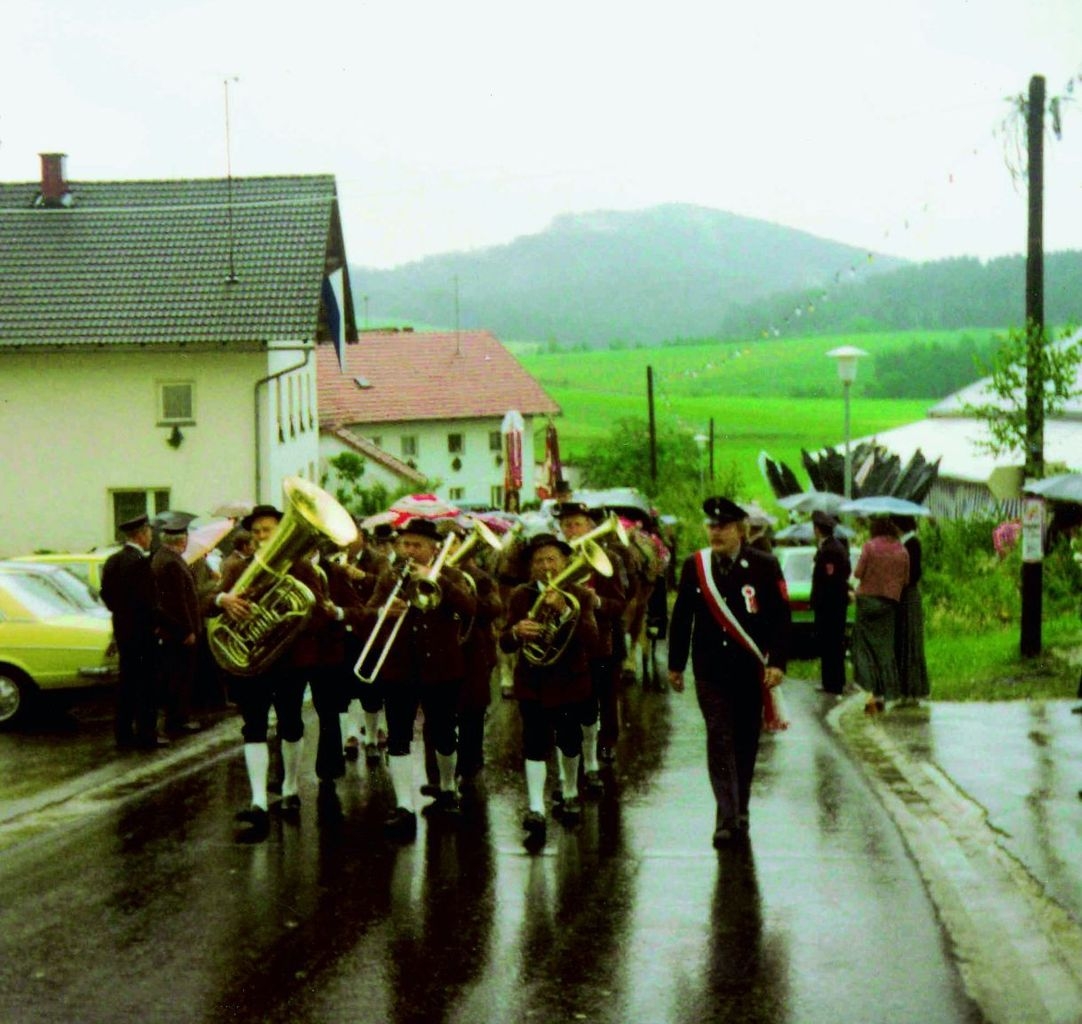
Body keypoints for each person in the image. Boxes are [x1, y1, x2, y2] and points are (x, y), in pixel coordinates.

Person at [667, 497, 790, 848]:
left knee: (745, 741)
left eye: (722, 527)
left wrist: (778, 662)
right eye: (711, 526)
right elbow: (683, 617)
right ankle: (726, 817)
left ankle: (741, 807)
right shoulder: (696, 565)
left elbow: (780, 618)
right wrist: (676, 664)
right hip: (710, 670)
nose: (715, 532)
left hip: (749, 669)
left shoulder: (764, 565)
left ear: (740, 530)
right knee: (719, 737)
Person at [363, 517, 477, 840]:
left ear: (433, 549)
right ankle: (404, 806)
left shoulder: (451, 575)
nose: (409, 551)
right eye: (405, 544)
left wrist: (435, 579)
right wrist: (385, 611)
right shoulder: (390, 577)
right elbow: (369, 614)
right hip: (400, 669)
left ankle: (447, 788)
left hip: (442, 668)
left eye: (417, 545)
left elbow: (470, 609)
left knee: (444, 735)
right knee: (398, 737)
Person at [212, 503, 307, 842]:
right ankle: (258, 801)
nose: (262, 536)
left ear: (281, 532)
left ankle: (290, 788)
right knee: (253, 726)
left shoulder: (300, 567)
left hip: (289, 661)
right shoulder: (241, 567)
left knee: (291, 725)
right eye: (256, 532)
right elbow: (206, 597)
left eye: (268, 530)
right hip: (252, 661)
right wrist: (223, 599)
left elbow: (318, 610)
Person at [500, 533, 599, 850]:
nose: (546, 566)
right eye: (539, 561)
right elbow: (504, 641)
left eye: (552, 559)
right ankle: (536, 808)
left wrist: (567, 612)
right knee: (533, 743)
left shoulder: (580, 595)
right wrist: (517, 632)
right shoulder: (521, 595)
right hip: (533, 682)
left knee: (569, 742)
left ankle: (569, 791)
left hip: (570, 681)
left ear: (566, 562)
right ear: (531, 567)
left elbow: (593, 639)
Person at [555, 501, 627, 789]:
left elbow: (620, 604)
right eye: (567, 525)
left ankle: (606, 742)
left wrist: (596, 602)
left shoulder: (609, 559)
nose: (572, 530)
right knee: (575, 701)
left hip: (603, 640)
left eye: (577, 524)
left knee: (606, 697)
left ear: (590, 526)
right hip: (569, 642)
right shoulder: (557, 558)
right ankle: (576, 754)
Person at [100, 514, 166, 749]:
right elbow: (148, 601)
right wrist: (157, 623)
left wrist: (121, 614)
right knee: (147, 685)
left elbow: (105, 594)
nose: (151, 538)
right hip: (143, 633)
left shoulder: (113, 561)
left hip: (123, 630)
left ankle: (123, 734)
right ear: (141, 535)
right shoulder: (139, 563)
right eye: (149, 533)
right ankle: (147, 735)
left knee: (127, 683)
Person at [851, 516, 909, 715]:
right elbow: (906, 579)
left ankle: (869, 693)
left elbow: (858, 573)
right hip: (889, 605)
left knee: (865, 649)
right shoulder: (902, 550)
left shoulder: (869, 546)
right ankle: (883, 694)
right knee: (884, 650)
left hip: (867, 602)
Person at [151, 516, 203, 735]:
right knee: (180, 677)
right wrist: (187, 630)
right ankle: (178, 721)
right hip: (178, 632)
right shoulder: (171, 562)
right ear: (182, 540)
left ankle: (177, 718)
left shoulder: (163, 557)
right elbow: (178, 601)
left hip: (172, 631)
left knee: (176, 676)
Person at [810, 511, 851, 696]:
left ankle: (833, 683)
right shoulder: (833, 546)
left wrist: (819, 600)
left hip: (830, 605)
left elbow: (830, 578)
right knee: (830, 643)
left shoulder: (830, 550)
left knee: (831, 643)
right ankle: (831, 681)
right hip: (834, 604)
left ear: (817, 529)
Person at [893, 514, 929, 706]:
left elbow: (913, 573)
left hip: (908, 595)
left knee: (910, 641)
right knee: (902, 641)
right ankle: (903, 689)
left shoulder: (912, 544)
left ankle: (912, 689)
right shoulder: (902, 544)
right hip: (901, 595)